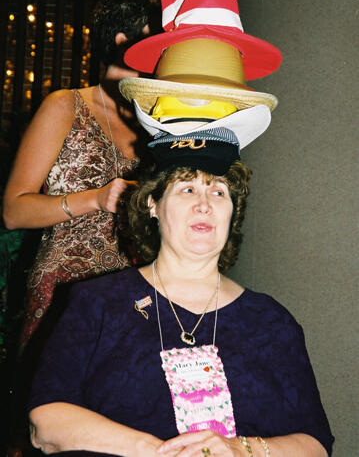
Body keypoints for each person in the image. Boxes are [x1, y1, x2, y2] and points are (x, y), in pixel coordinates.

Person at [27, 126, 334, 457]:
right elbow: (46, 423)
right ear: (152, 205)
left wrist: (241, 449)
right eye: (187, 190)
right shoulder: (98, 302)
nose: (204, 205)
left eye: (219, 193)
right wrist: (161, 451)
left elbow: (315, 443)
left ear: (233, 212)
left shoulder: (272, 321)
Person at [3, 0, 161, 349]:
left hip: (135, 297)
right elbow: (13, 210)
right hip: (64, 293)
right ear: (122, 41)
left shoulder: (155, 120)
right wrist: (95, 199)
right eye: (154, 41)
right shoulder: (65, 106)